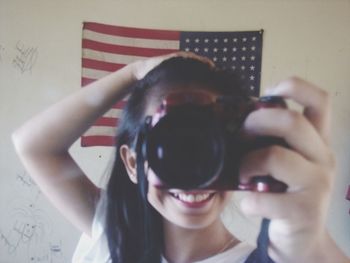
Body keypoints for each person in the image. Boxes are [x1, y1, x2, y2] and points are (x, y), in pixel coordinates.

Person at [12, 52, 349, 263]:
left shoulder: (270, 257)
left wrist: (313, 247)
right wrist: (133, 73)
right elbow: (33, 145)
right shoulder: (111, 232)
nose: (192, 165)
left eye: (207, 140)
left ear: (238, 151)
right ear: (132, 163)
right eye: (169, 141)